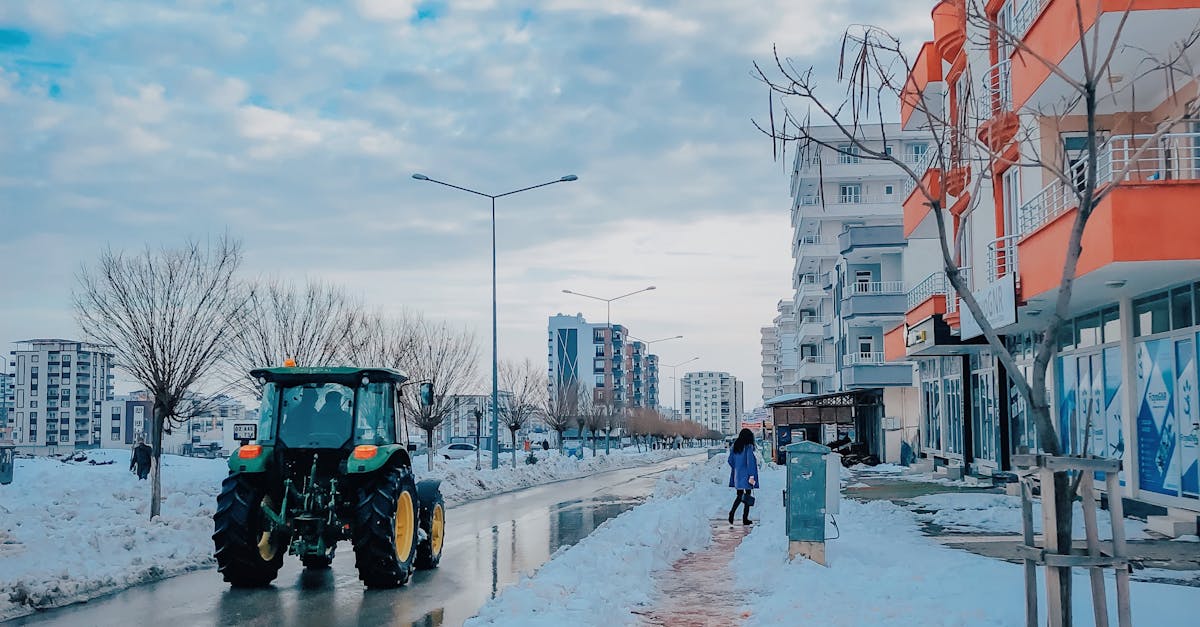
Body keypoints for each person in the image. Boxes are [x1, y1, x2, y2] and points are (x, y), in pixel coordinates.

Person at [727, 428, 759, 525]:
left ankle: (732, 512)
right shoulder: (748, 447)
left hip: (737, 475)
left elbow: (730, 460)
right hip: (747, 475)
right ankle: (745, 519)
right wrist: (752, 475)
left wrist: (737, 468)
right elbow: (750, 462)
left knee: (739, 495)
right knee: (747, 496)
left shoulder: (735, 446)